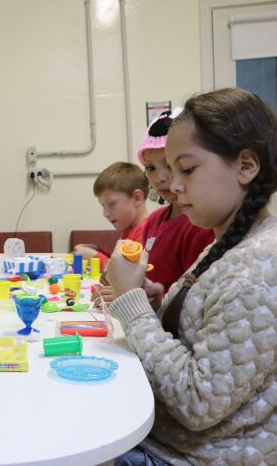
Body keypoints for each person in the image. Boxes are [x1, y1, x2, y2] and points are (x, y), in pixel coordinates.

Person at [106, 88, 277, 465]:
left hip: (190, 455)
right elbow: (197, 336)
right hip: (169, 439)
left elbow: (196, 402)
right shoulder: (227, 243)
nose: (172, 185)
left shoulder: (259, 270)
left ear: (246, 165)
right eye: (165, 170)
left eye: (187, 169)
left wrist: (131, 305)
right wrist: (153, 300)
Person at [136, 108, 214, 303]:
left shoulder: (199, 225)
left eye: (170, 165)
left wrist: (156, 300)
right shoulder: (154, 220)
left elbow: (192, 300)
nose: (159, 178)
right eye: (151, 168)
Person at [74, 161, 150, 266]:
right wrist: (99, 252)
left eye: (111, 204)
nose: (105, 214)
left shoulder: (147, 232)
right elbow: (122, 265)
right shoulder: (130, 230)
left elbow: (129, 277)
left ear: (137, 198)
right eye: (103, 206)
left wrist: (95, 257)